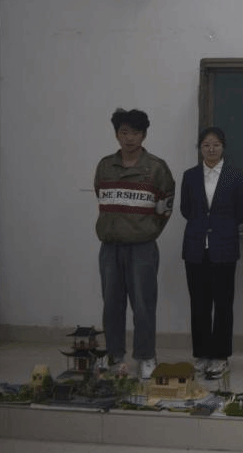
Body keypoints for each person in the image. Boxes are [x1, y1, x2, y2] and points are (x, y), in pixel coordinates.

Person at [94, 108, 175, 380]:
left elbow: (164, 209)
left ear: (144, 135)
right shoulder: (105, 166)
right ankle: (114, 355)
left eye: (136, 133)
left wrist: (145, 231)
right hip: (110, 247)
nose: (129, 138)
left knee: (143, 304)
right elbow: (101, 197)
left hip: (142, 248)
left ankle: (146, 356)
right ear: (117, 134)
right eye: (124, 132)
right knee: (111, 304)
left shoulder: (157, 168)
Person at [179, 127, 243, 380]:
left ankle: (220, 357)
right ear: (200, 148)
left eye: (216, 145)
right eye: (206, 145)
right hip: (195, 248)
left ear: (223, 148)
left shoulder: (235, 175)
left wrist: (221, 227)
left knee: (223, 304)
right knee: (198, 304)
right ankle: (201, 354)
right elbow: (186, 209)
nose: (211, 149)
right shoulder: (190, 176)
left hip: (224, 248)